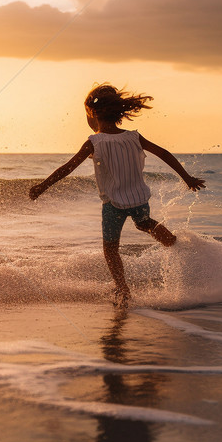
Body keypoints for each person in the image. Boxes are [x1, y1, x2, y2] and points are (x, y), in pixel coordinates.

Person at [29, 84, 205, 306]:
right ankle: (174, 244)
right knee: (144, 223)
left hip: (113, 203)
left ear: (93, 114)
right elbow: (164, 154)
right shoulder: (134, 137)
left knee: (111, 249)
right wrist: (187, 178)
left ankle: (123, 291)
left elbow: (67, 168)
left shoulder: (94, 142)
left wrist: (43, 186)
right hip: (139, 197)